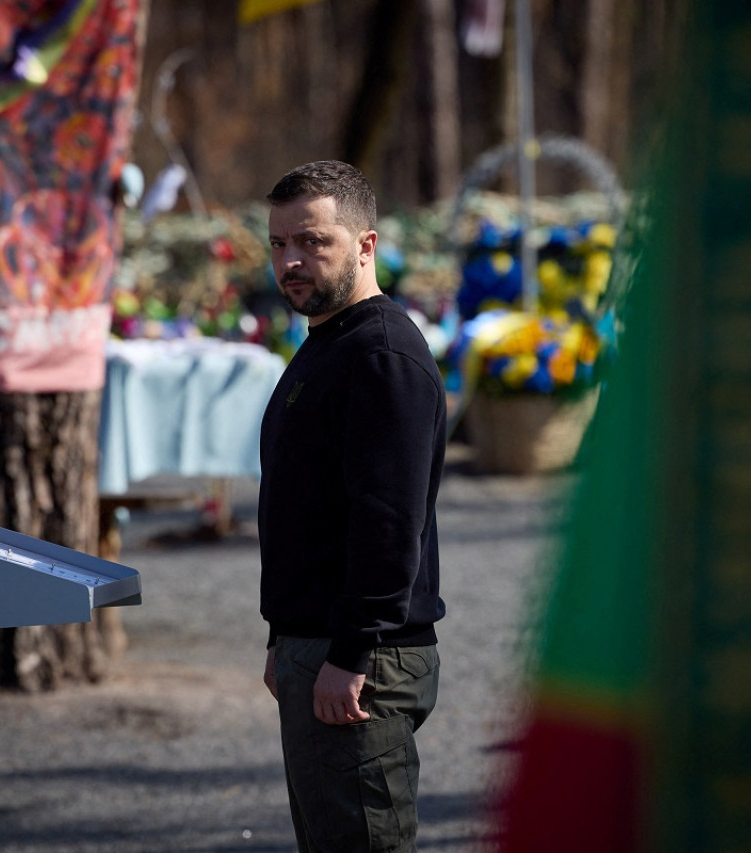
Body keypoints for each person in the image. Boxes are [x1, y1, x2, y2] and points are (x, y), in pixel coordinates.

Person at [258, 160, 447, 853]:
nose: (291, 262)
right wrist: (285, 638)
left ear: (366, 245)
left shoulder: (381, 354)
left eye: (312, 242)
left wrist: (350, 651)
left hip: (364, 659)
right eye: (279, 244)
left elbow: (387, 524)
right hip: (321, 646)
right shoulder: (329, 343)